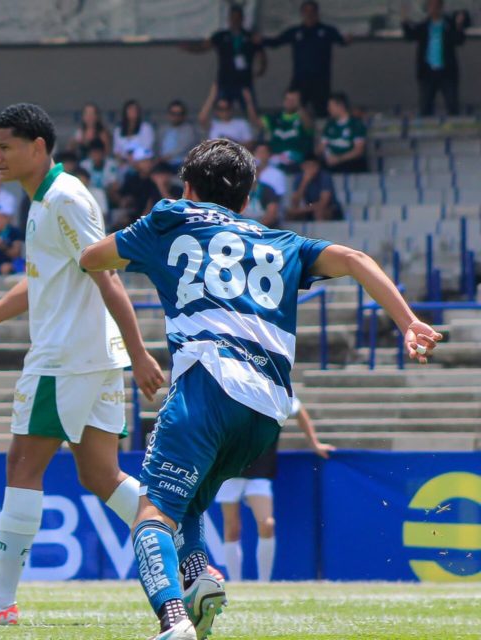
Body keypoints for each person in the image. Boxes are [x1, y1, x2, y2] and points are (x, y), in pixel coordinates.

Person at [79, 138, 442, 640]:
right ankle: (200, 578)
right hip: (267, 412)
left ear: (187, 188)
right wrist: (408, 322)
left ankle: (172, 618)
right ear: (247, 200)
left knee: (153, 512)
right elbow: (357, 259)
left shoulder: (169, 219)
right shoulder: (284, 243)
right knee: (189, 508)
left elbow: (92, 258)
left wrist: (144, 233)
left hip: (207, 381)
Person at [0, 103, 165, 625]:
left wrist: (142, 349)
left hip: (65, 359)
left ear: (38, 148)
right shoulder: (44, 201)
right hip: (87, 357)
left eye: (5, 147)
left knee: (22, 466)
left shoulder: (64, 198)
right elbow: (43, 282)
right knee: (101, 475)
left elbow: (108, 275)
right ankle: (191, 563)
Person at [217, 400, 333, 583]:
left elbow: (299, 409)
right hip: (229, 470)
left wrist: (314, 443)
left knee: (267, 524)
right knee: (232, 528)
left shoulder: (276, 387)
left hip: (260, 471)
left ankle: (264, 583)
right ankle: (235, 583)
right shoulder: (234, 384)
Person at [260, 1, 350, 116]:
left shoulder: (327, 31)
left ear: (317, 13)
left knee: (322, 110)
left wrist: (347, 40)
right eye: (306, 11)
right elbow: (276, 42)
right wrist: (261, 40)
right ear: (302, 13)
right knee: (293, 109)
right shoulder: (296, 32)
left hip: (320, 80)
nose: (309, 14)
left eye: (312, 11)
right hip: (300, 79)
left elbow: (341, 40)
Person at [185, 5, 266, 111]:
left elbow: (261, 54)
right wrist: (188, 47)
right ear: (229, 19)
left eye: (238, 18)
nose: (235, 21)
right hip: (225, 81)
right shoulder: (221, 36)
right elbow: (203, 47)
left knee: (251, 111)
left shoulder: (250, 37)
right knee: (222, 109)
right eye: (233, 18)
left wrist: (261, 69)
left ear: (242, 19)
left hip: (244, 82)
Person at [402, 0, 468, 117]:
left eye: (436, 6)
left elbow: (459, 40)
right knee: (425, 106)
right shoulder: (424, 25)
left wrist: (459, 25)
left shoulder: (448, 24)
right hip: (427, 72)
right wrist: (405, 21)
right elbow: (410, 36)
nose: (433, 9)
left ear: (441, 7)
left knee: (452, 104)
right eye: (431, 6)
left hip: (447, 72)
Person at [258, 89, 314, 169]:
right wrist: (249, 103)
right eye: (287, 99)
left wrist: (299, 107)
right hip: (275, 159)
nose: (290, 102)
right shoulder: (276, 117)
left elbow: (309, 126)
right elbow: (256, 122)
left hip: (296, 160)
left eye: (293, 100)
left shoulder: (304, 117)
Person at [318, 93, 368, 173]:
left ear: (340, 106)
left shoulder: (355, 124)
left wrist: (339, 159)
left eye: (331, 106)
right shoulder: (330, 124)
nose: (328, 109)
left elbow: (358, 151)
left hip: (349, 163)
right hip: (331, 163)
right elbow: (322, 146)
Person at [287, 155, 340, 221]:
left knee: (319, 212)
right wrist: (304, 182)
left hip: (330, 208)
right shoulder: (299, 178)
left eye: (313, 166)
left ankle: (320, 230)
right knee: (289, 213)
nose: (310, 169)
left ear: (318, 167)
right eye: (307, 166)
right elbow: (295, 202)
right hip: (309, 207)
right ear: (302, 166)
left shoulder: (325, 177)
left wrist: (302, 210)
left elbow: (324, 203)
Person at [157, 100, 200, 170]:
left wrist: (165, 157)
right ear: (168, 114)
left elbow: (182, 148)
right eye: (173, 113)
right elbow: (156, 147)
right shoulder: (163, 129)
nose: (176, 116)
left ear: (184, 115)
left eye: (179, 113)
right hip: (163, 163)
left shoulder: (189, 130)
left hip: (180, 164)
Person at [114, 100, 156, 164]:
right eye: (130, 109)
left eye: (135, 109)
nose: (133, 112)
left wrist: (134, 157)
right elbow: (116, 150)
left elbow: (147, 148)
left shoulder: (146, 127)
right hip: (123, 163)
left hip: (142, 162)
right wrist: (124, 159)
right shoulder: (118, 130)